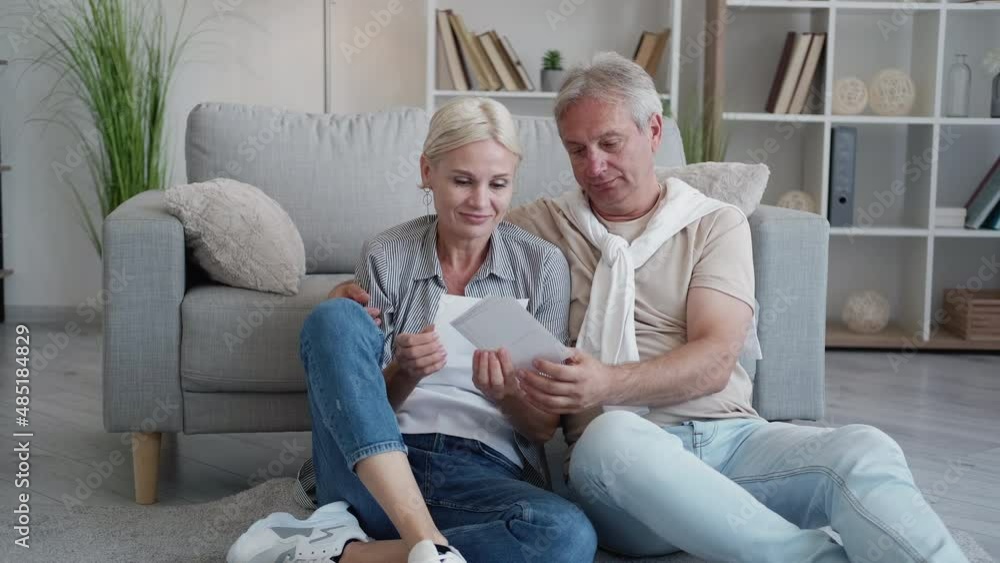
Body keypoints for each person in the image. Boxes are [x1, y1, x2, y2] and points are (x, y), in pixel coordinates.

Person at [335, 52, 970, 563]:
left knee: (863, 448)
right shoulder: (544, 229)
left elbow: (717, 358)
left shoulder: (713, 224)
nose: (595, 165)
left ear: (655, 130)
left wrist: (608, 381)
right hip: (619, 471)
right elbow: (463, 217)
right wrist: (345, 298)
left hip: (733, 440)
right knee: (610, 434)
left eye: (610, 143)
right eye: (577, 150)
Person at [227, 96, 597, 563]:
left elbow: (543, 429)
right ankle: (427, 543)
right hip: (376, 470)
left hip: (481, 477)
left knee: (566, 535)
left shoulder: (541, 265)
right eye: (462, 181)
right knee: (334, 318)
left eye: (498, 184)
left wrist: (506, 395)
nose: (482, 202)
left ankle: (346, 555)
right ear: (428, 172)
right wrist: (405, 371)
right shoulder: (387, 254)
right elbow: (359, 404)